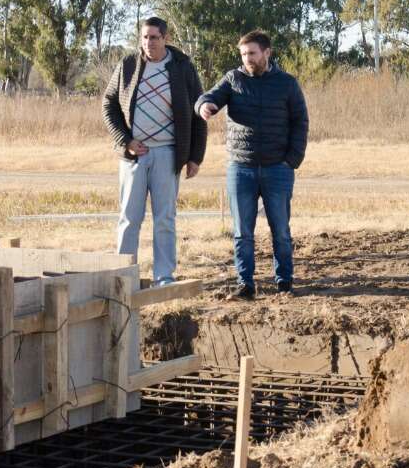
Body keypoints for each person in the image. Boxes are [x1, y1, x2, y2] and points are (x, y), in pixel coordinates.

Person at [197, 31, 309, 300]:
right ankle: (245, 284)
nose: (247, 59)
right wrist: (205, 106)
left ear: (267, 53)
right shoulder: (233, 79)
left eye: (252, 54)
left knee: (280, 230)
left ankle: (284, 282)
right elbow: (208, 97)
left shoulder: (287, 84)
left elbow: (300, 122)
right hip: (241, 168)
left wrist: (291, 160)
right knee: (242, 232)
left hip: (277, 168)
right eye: (244, 54)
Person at [102, 16, 206, 285]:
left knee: (165, 219)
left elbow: (198, 113)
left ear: (166, 38)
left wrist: (195, 156)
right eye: (145, 37)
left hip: (168, 154)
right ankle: (124, 275)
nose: (149, 43)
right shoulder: (128, 65)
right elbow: (109, 104)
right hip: (134, 156)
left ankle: (164, 275)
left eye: (154, 38)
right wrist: (125, 140)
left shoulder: (183, 67)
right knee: (129, 218)